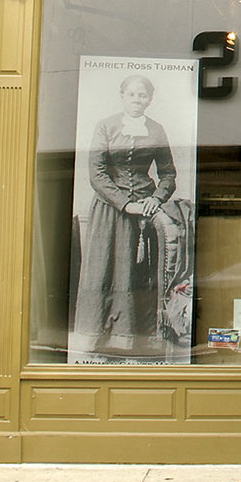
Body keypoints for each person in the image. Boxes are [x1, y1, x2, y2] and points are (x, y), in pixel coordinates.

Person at [72, 74, 183, 356]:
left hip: (144, 213)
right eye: (132, 95)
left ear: (150, 99)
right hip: (110, 210)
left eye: (142, 95)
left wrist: (155, 199)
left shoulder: (156, 130)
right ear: (122, 96)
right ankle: (99, 339)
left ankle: (136, 340)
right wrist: (125, 203)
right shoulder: (105, 127)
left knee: (138, 274)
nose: (137, 100)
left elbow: (168, 174)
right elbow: (97, 175)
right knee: (104, 270)